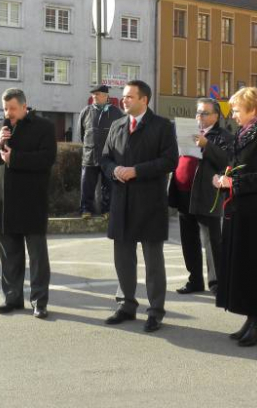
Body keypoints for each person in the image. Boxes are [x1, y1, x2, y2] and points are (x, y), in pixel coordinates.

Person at [100, 80, 178, 333]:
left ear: (144, 99)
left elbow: (169, 161)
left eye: (130, 97)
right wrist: (115, 171)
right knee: (123, 257)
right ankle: (126, 305)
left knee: (153, 261)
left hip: (150, 202)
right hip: (122, 201)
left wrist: (136, 171)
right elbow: (105, 158)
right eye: (123, 97)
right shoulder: (117, 125)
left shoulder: (162, 126)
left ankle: (155, 311)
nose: (124, 100)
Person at [213, 87, 257, 347]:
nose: (233, 115)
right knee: (241, 266)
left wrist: (233, 183)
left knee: (256, 267)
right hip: (240, 209)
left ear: (252, 109)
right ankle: (249, 319)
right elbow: (236, 164)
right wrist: (223, 178)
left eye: (236, 110)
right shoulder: (244, 131)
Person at [0, 88, 57, 319]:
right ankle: (12, 298)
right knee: (9, 256)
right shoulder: (0, 128)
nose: (8, 113)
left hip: (31, 200)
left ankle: (39, 302)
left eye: (12, 108)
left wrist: (16, 158)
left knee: (37, 257)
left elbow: (47, 159)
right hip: (5, 203)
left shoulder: (44, 127)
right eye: (5, 108)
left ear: (25, 106)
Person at [168, 98, 233, 295]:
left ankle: (217, 284)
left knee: (211, 242)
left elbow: (227, 161)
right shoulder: (188, 131)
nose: (200, 117)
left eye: (205, 113)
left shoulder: (223, 136)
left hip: (206, 195)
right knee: (188, 240)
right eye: (198, 113)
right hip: (183, 192)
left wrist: (206, 145)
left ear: (216, 116)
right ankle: (194, 280)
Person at [78, 84, 123, 219]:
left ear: (105, 96)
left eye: (97, 94)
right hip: (89, 156)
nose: (94, 96)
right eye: (93, 94)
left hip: (109, 157)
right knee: (87, 185)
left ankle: (107, 210)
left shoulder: (116, 112)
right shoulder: (86, 111)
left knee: (108, 185)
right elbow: (81, 134)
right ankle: (86, 210)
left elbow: (121, 135)